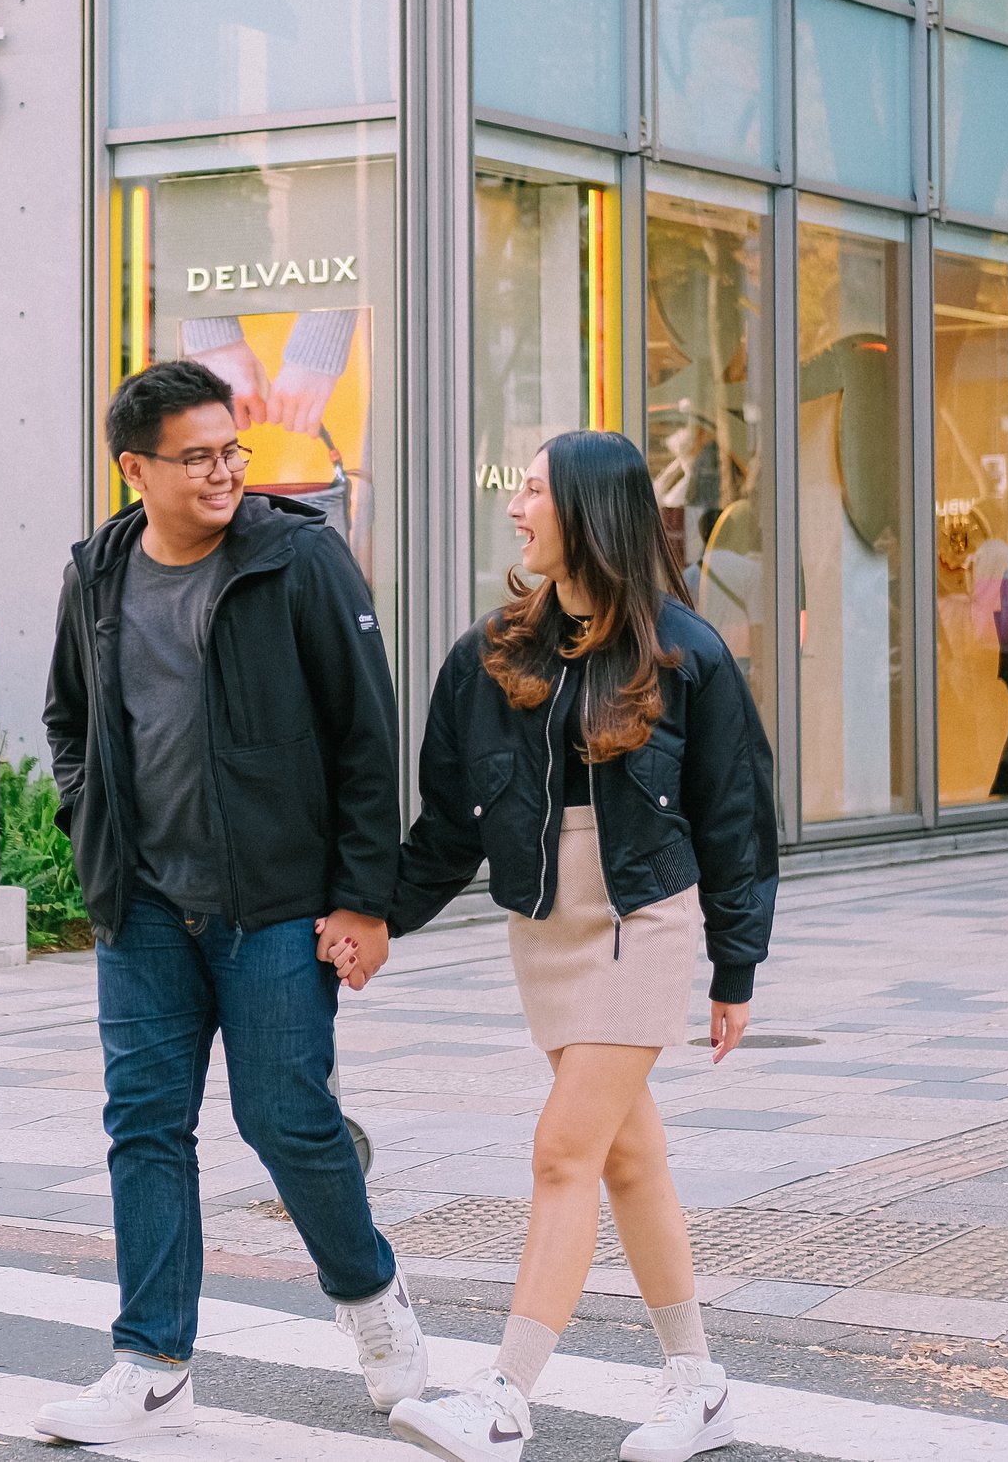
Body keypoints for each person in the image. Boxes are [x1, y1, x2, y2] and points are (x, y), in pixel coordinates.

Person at [34, 357, 425, 1444]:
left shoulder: (296, 557)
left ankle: (371, 1299)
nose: (223, 474)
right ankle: (151, 1360)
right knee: (145, 1128)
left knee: (285, 1121)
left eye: (231, 450)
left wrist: (363, 901)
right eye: (197, 456)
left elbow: (365, 736)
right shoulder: (98, 573)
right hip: (146, 905)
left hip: (275, 903)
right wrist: (90, 826)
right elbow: (68, 718)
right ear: (135, 468)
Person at [378, 431, 776, 1462]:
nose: (515, 508)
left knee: (563, 1150)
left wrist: (734, 965)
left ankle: (504, 1397)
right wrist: (376, 915)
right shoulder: (489, 652)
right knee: (627, 1157)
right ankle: (698, 1383)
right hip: (544, 919)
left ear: (589, 512)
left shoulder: (686, 651)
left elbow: (734, 817)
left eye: (533, 492)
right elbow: (448, 824)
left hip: (640, 914)